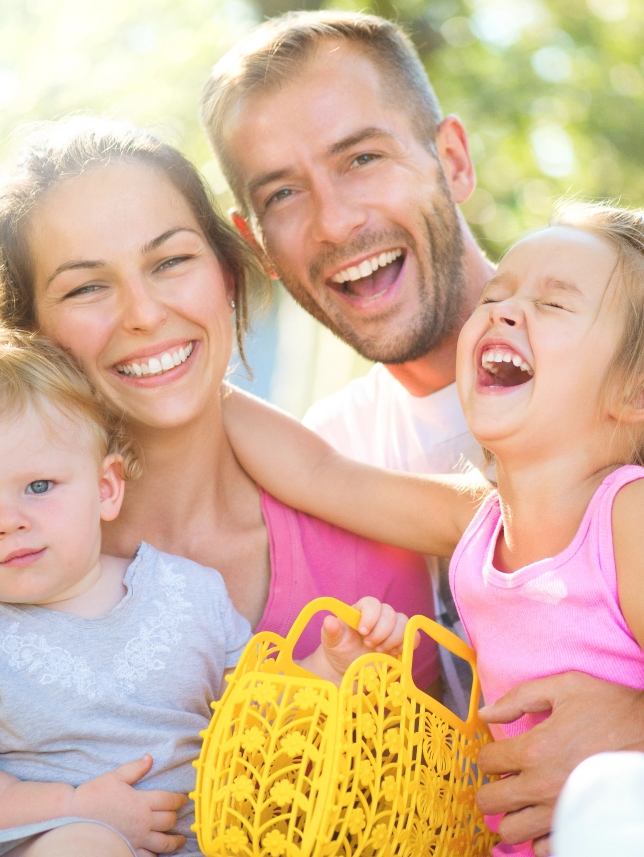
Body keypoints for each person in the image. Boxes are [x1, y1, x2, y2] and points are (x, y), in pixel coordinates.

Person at [200, 11, 644, 853]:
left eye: (361, 157)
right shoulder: (376, 470)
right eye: (284, 194)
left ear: (451, 158)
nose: (334, 223)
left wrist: (630, 726)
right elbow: (322, 473)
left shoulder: (613, 358)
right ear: (255, 245)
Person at [0, 117, 439, 685]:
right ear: (31, 335)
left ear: (228, 276)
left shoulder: (370, 575)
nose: (143, 314)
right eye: (86, 287)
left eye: (170, 262)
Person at [0, 328, 409, 857]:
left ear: (106, 488)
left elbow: (260, 722)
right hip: (48, 840)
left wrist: (330, 670)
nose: (7, 522)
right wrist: (76, 807)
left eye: (39, 487)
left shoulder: (187, 593)